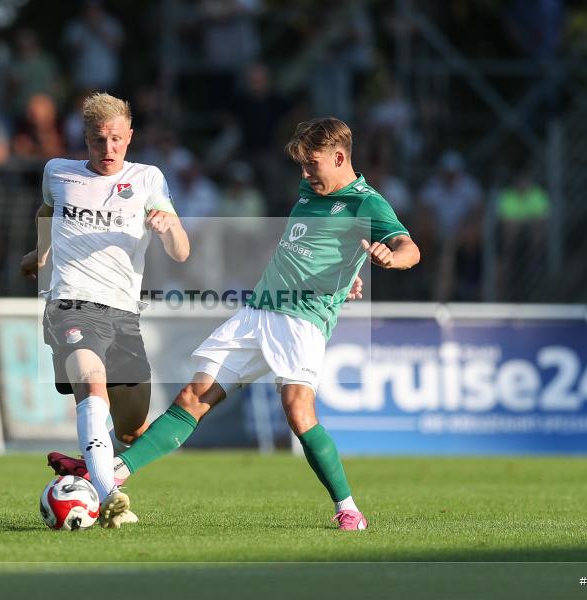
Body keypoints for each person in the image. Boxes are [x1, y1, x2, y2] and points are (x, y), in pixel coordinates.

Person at [49, 117, 420, 529]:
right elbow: (323, 246)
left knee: (298, 413)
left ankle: (348, 507)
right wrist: (346, 274)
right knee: (192, 398)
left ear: (339, 157)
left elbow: (409, 248)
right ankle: (108, 472)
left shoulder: (366, 202)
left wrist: (389, 257)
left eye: (312, 163)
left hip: (303, 322)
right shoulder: (309, 190)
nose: (305, 173)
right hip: (257, 311)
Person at [19, 92, 190, 527]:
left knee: (133, 428)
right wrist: (39, 254)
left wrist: (169, 229)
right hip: (70, 304)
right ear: (86, 138)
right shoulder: (58, 172)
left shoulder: (148, 178)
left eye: (116, 139)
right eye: (99, 141)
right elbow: (47, 210)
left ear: (130, 136)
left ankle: (90, 468)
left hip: (124, 315)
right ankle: (108, 493)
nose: (108, 149)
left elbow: (182, 251)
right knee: (92, 384)